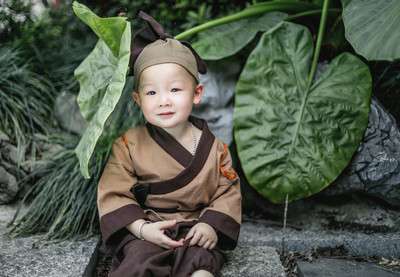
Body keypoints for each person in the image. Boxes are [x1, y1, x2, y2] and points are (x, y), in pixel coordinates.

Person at [97, 11, 242, 277]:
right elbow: (114, 192)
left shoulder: (216, 149)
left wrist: (210, 225)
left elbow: (227, 192)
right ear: (138, 100)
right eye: (151, 92)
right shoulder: (128, 145)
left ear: (196, 93)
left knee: (201, 265)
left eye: (175, 90)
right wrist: (141, 228)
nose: (163, 100)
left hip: (194, 229)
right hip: (148, 229)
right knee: (139, 261)